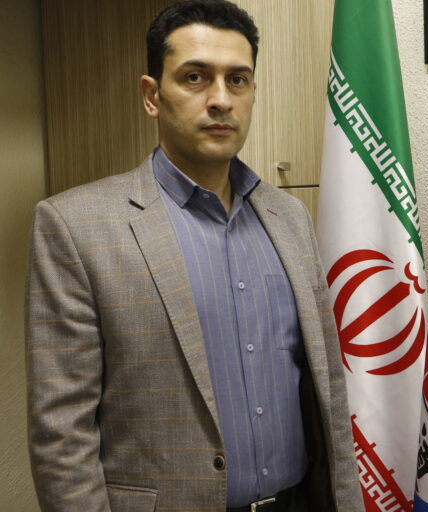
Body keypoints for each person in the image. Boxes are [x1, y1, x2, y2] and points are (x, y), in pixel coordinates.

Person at [25, 1, 362, 511]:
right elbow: (61, 437)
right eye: (195, 77)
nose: (221, 100)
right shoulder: (74, 227)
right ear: (152, 95)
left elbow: (330, 396)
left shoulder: (289, 218)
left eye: (238, 80)